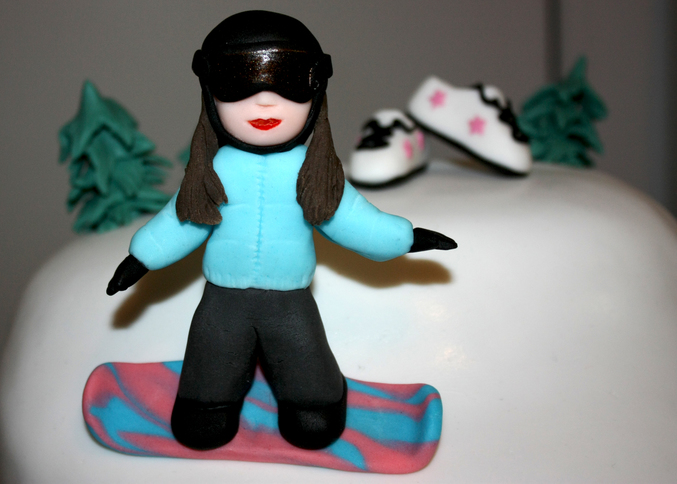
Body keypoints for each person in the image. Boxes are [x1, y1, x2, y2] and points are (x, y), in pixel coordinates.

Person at [106, 10, 456, 451]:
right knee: (212, 353)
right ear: (210, 92)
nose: (265, 104)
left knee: (303, 356)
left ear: (316, 90)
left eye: (289, 83)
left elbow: (350, 218)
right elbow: (184, 219)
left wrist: (404, 238)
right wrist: (142, 256)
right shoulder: (216, 170)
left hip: (289, 300)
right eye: (238, 83)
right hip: (223, 299)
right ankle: (207, 403)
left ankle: (315, 402)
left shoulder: (311, 172)